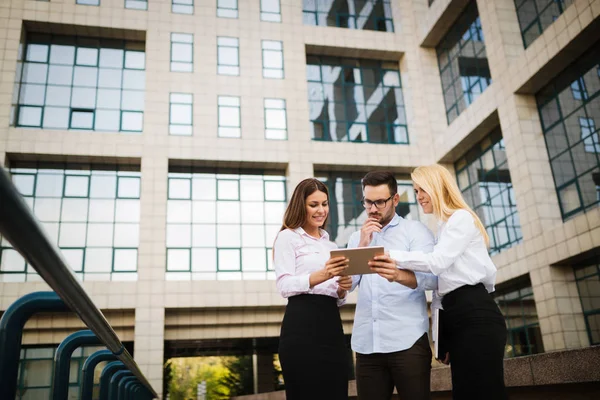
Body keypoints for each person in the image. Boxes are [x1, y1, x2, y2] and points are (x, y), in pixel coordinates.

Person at [369, 164, 508, 400]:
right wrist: (440, 339)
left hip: (476, 313)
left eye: (422, 189)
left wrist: (390, 255)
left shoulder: (460, 218)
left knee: (485, 392)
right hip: (458, 317)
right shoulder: (443, 228)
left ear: (437, 187)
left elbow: (437, 262)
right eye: (415, 191)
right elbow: (439, 291)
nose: (419, 197)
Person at [343, 171, 437, 400]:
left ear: (395, 200)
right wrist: (362, 244)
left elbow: (434, 279)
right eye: (368, 202)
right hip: (367, 345)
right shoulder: (356, 237)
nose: (373, 208)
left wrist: (397, 275)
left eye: (379, 202)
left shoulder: (415, 231)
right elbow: (347, 286)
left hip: (408, 342)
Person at [274, 178, 353, 400]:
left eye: (325, 204)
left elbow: (334, 294)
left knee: (336, 391)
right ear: (301, 206)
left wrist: (342, 289)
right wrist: (322, 275)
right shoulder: (287, 237)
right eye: (314, 204)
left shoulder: (331, 245)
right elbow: (284, 285)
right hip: (301, 326)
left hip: (331, 325)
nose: (321, 210)